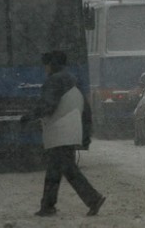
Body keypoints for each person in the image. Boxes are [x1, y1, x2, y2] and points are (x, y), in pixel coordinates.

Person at [21, 50, 106, 217]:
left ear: (51, 64)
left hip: (60, 130)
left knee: (67, 169)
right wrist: (85, 134)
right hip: (71, 129)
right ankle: (48, 205)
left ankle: (93, 198)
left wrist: (29, 117)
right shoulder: (73, 80)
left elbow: (48, 106)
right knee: (57, 169)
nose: (45, 68)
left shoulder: (54, 81)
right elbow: (85, 110)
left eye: (46, 64)